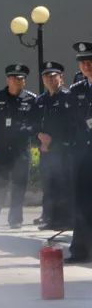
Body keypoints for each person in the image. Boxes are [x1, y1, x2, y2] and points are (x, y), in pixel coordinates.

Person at [0, 64, 37, 230]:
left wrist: (22, 132)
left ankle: (15, 220)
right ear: (8, 79)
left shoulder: (31, 99)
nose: (17, 81)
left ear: (24, 82)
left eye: (20, 79)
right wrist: (1, 137)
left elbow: (34, 124)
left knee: (19, 186)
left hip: (21, 150)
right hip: (2, 150)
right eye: (14, 78)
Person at [34, 62, 73, 231]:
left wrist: (53, 141)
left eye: (53, 76)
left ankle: (66, 221)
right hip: (45, 151)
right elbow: (33, 123)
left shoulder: (68, 97)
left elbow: (72, 126)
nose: (49, 79)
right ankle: (50, 219)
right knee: (49, 185)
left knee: (64, 185)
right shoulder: (40, 100)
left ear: (61, 77)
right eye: (46, 76)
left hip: (64, 150)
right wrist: (39, 139)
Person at [65, 42, 92, 263]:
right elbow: (71, 124)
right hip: (82, 155)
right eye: (83, 63)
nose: (87, 66)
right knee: (81, 203)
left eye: (90, 61)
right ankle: (80, 250)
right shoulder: (76, 91)